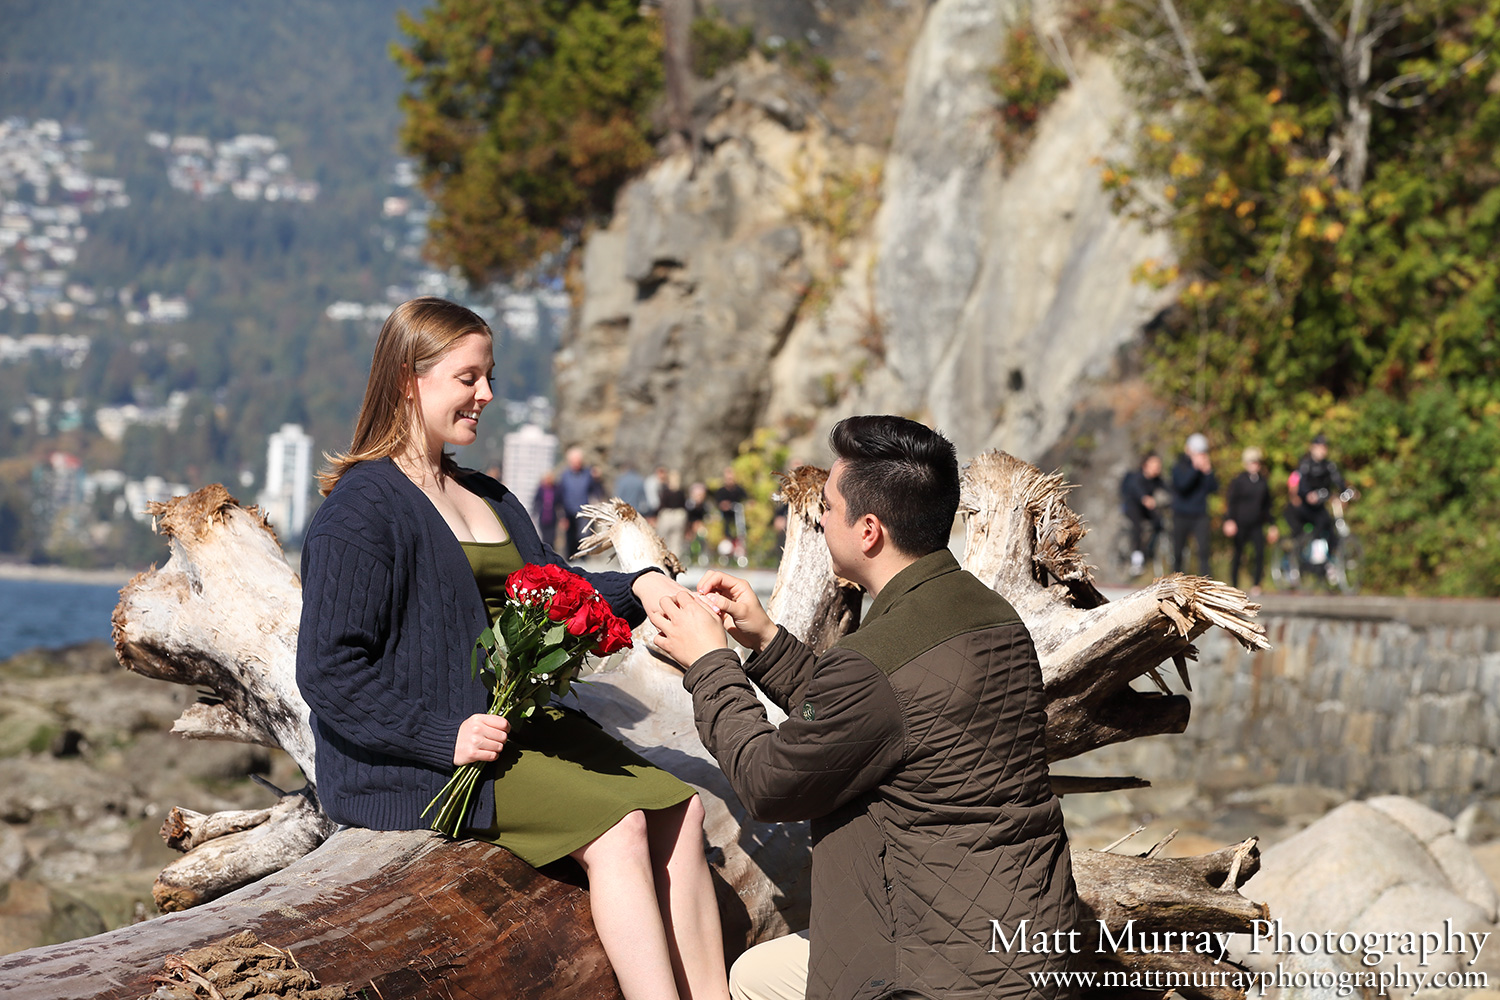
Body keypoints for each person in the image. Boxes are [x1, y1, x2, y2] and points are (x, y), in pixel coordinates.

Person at [295, 298, 729, 1000]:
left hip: (516, 726)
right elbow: (328, 671)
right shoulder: (358, 511)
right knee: (619, 828)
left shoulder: (486, 493)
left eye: (488, 376)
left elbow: (554, 588)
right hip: (425, 761)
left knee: (682, 811)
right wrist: (441, 734)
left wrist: (643, 586)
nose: (486, 395)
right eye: (469, 378)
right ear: (410, 378)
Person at [649, 415, 1079, 1000]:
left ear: (869, 530)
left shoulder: (876, 660)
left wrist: (709, 664)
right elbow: (875, 718)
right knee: (757, 975)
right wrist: (768, 640)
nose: (819, 518)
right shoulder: (989, 615)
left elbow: (769, 781)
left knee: (748, 982)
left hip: (933, 971)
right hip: (1025, 942)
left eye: (827, 505)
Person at [1223, 447, 1276, 595]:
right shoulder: (1238, 481)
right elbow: (1231, 502)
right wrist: (1229, 520)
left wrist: (1272, 524)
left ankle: (1256, 583)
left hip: (1256, 524)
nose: (1255, 465)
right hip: (1240, 524)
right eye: (1252, 462)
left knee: (1259, 553)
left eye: (1257, 462)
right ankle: (1234, 585)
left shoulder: (1263, 482)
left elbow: (1267, 506)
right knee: (1238, 554)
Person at [1170, 433, 1219, 576]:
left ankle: (1206, 582)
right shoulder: (1179, 466)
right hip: (1181, 514)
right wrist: (1195, 469)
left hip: (1199, 514)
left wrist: (1208, 472)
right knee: (1178, 551)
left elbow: (1213, 488)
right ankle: (1175, 582)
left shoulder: (1204, 469)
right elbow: (1183, 486)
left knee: (1203, 551)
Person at [1295, 432, 1346, 567]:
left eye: (1324, 447)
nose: (1322, 450)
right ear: (1313, 448)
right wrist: (1308, 494)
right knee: (1320, 522)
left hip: (1320, 506)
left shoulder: (1329, 466)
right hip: (1306, 507)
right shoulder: (1306, 464)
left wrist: (1346, 491)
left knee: (1331, 530)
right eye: (1320, 447)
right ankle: (1311, 557)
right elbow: (1302, 484)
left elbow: (1338, 480)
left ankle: (1329, 562)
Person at [1119, 451, 1165, 575]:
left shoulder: (1156, 480)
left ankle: (1150, 550)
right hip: (1132, 507)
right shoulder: (1137, 477)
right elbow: (1136, 489)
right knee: (1137, 527)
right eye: (1154, 464)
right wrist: (1144, 498)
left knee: (1159, 522)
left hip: (1146, 508)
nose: (1157, 467)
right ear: (1146, 465)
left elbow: (1168, 488)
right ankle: (1137, 559)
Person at [558, 445, 605, 556]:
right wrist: (562, 516)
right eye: (574, 461)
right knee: (570, 538)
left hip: (583, 511)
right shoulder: (565, 476)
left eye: (579, 461)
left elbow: (597, 490)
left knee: (583, 537)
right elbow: (560, 496)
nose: (577, 463)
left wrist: (598, 479)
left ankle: (583, 560)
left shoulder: (588, 474)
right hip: (568, 511)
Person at [532, 469, 564, 552]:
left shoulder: (556, 489)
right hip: (543, 516)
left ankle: (552, 553)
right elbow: (536, 502)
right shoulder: (541, 489)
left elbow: (560, 505)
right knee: (544, 538)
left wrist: (562, 518)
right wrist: (533, 515)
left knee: (552, 538)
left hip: (552, 517)